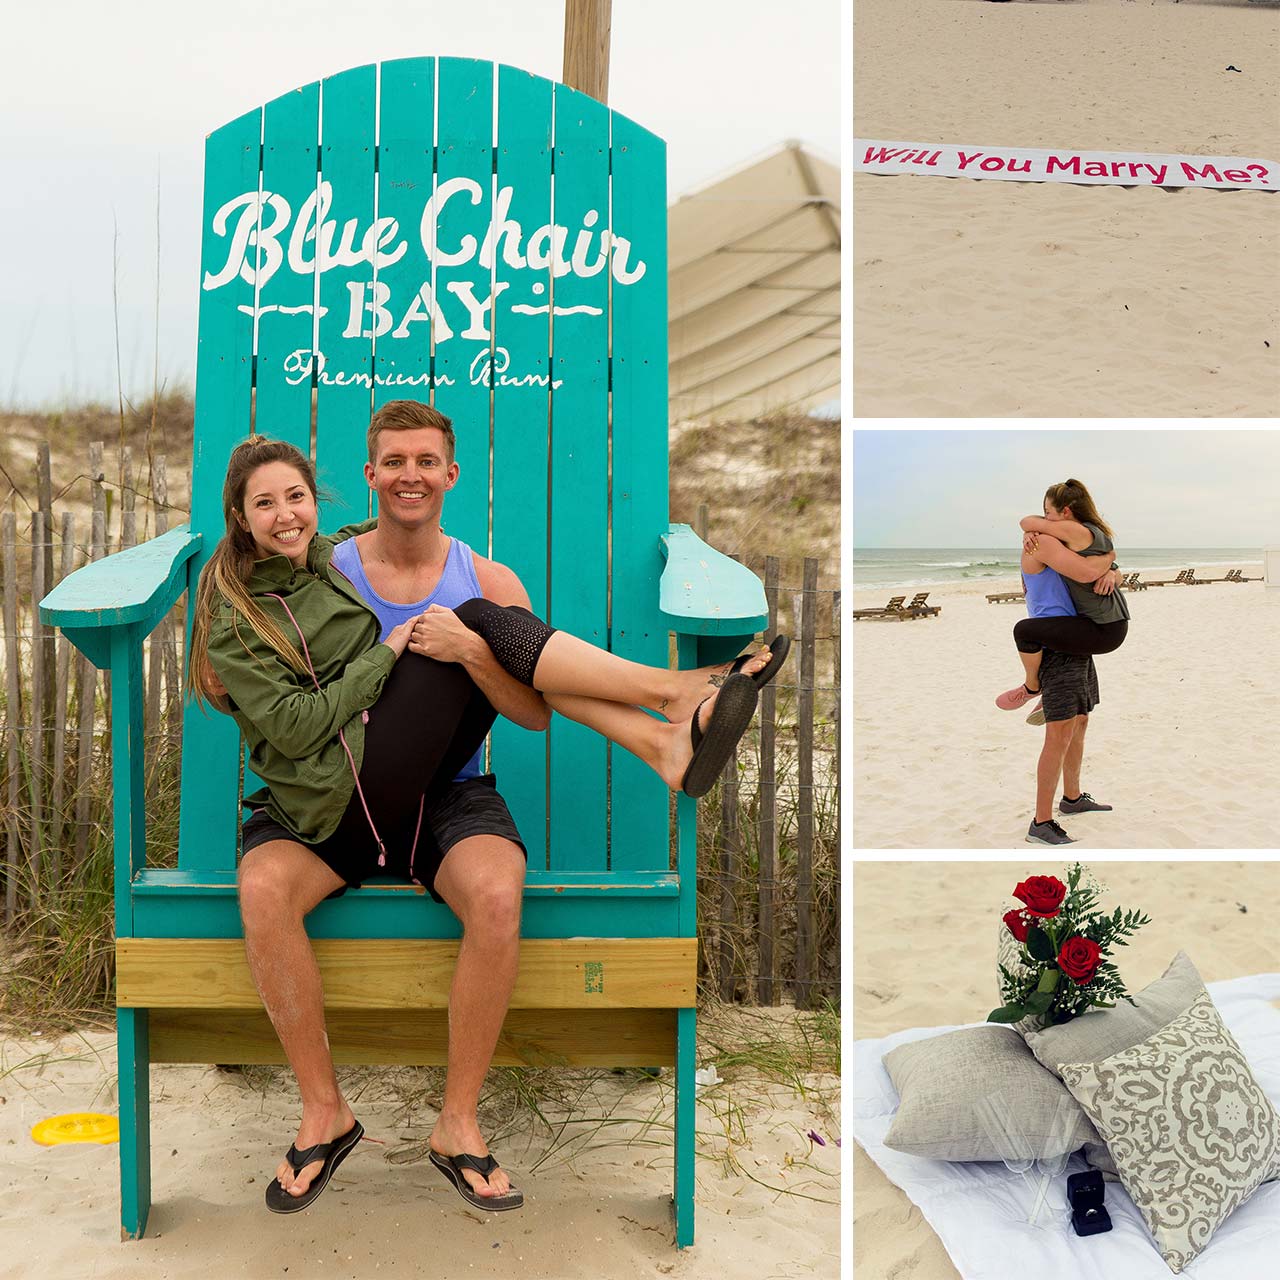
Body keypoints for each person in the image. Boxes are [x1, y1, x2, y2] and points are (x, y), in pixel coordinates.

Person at [186, 424, 787, 1216]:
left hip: (444, 784)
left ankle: (458, 1126)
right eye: (394, 463)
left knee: (498, 867)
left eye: (425, 462)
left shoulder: (472, 572)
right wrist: (396, 650)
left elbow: (533, 714)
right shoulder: (321, 564)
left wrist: (467, 654)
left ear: (451, 473)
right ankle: (670, 706)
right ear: (368, 475)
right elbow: (263, 694)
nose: (410, 476)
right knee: (263, 887)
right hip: (340, 790)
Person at [995, 479, 1130, 722]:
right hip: (1100, 624)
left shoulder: (1073, 533)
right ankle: (1042, 697)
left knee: (1024, 631)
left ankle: (1032, 686)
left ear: (1065, 511)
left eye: (1048, 513)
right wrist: (1112, 565)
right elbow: (1107, 572)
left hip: (1102, 628)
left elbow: (1086, 573)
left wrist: (1110, 558)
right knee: (1078, 722)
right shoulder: (1083, 537)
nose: (1045, 519)